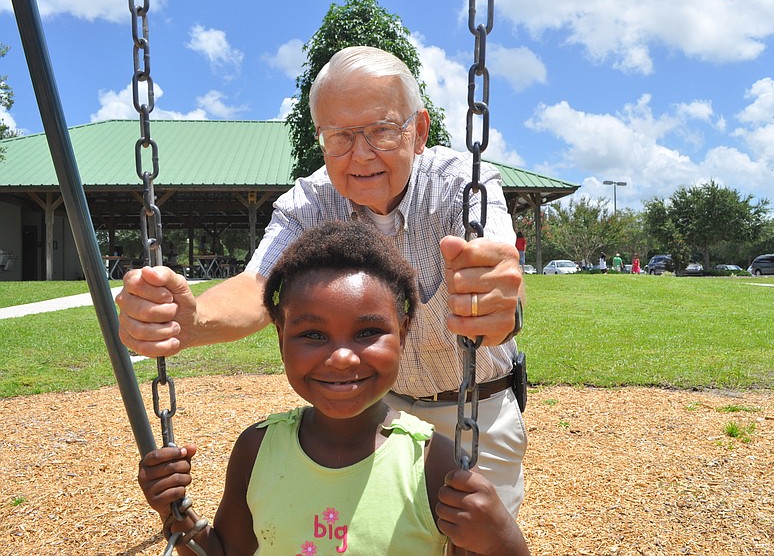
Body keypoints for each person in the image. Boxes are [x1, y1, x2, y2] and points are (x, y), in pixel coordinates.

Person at [117, 46, 527, 517]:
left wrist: (495, 303)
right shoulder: (309, 202)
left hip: (475, 410)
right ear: (321, 139)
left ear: (418, 131)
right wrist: (192, 320)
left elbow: (494, 274)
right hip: (378, 413)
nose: (361, 155)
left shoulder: (461, 186)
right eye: (340, 137)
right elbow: (258, 286)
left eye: (381, 130)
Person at [137, 222, 529, 555]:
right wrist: (175, 512)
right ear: (280, 337)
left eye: (368, 332)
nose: (342, 357)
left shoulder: (432, 463)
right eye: (312, 334)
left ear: (404, 332)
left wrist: (503, 537)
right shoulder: (257, 451)